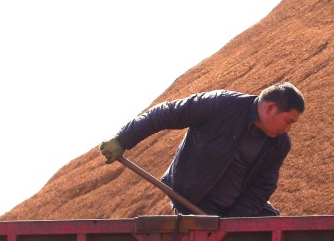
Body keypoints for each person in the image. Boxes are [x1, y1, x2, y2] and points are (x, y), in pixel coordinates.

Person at [99, 82, 304, 217]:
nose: (288, 129)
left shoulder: (280, 144)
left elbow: (262, 187)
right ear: (270, 108)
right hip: (194, 201)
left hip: (234, 211)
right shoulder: (220, 105)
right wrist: (123, 139)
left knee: (276, 229)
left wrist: (235, 222)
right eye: (288, 121)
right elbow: (166, 114)